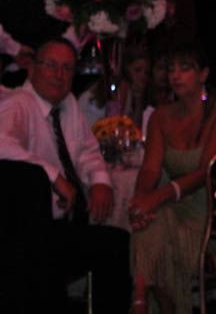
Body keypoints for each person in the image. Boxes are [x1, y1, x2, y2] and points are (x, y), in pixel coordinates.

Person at [0, 37, 131, 313]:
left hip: (62, 227)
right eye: (51, 66)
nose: (59, 75)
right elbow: (2, 143)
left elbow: (86, 150)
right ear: (33, 68)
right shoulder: (19, 103)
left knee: (117, 244)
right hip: (25, 235)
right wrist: (53, 177)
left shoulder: (68, 103)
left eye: (67, 68)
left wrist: (100, 181)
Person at [129, 44, 216, 314]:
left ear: (204, 74)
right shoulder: (161, 116)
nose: (176, 75)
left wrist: (156, 197)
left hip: (205, 212)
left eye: (185, 68)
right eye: (171, 69)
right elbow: (149, 170)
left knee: (157, 220)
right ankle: (143, 296)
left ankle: (142, 300)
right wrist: (141, 200)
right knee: (152, 220)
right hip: (170, 208)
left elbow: (205, 172)